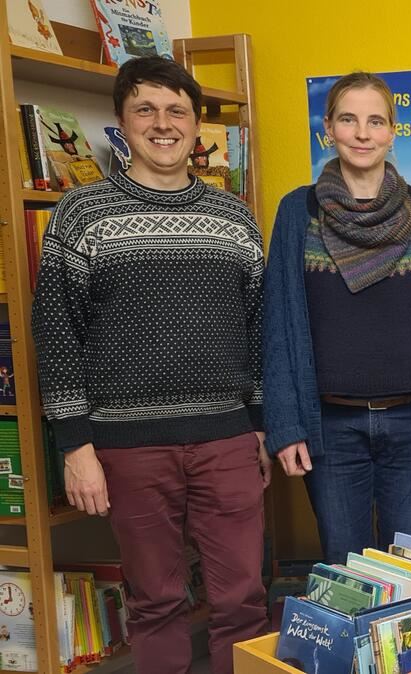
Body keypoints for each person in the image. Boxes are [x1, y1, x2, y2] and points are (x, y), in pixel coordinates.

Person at [31, 56, 269, 674]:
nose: (162, 125)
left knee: (242, 600)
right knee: (156, 601)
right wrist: (75, 445)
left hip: (227, 438)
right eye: (146, 109)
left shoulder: (234, 217)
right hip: (128, 448)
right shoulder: (81, 215)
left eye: (177, 112)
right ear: (121, 121)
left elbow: (260, 329)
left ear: (196, 127)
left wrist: (264, 425)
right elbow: (56, 336)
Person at [263, 72, 411, 565]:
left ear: (392, 132)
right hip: (329, 427)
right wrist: (285, 424)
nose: (363, 133)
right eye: (349, 119)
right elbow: (277, 324)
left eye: (375, 121)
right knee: (345, 572)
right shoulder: (298, 211)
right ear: (329, 129)